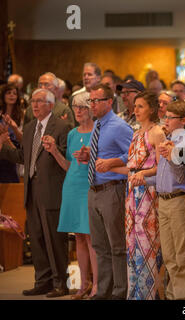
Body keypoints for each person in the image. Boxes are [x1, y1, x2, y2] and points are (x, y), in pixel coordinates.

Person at [0, 88, 71, 297]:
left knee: (55, 239)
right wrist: (4, 146)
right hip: (31, 190)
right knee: (37, 238)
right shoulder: (30, 127)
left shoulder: (62, 126)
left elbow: (67, 158)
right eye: (33, 102)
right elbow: (24, 156)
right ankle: (43, 280)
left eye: (39, 101)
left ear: (50, 104)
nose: (35, 105)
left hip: (52, 190)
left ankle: (60, 282)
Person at [73, 84, 133, 300]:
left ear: (109, 102)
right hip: (94, 189)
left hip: (112, 189)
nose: (92, 105)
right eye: (91, 101)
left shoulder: (119, 126)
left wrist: (112, 162)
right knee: (99, 244)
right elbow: (101, 153)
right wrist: (88, 155)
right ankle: (104, 290)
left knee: (116, 245)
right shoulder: (97, 125)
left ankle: (119, 291)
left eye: (96, 101)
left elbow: (134, 155)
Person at [41, 92, 98, 299]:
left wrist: (89, 157)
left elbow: (101, 164)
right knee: (79, 238)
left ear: (91, 108)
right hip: (71, 186)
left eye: (82, 107)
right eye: (75, 107)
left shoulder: (97, 132)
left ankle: (97, 287)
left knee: (92, 238)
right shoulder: (73, 134)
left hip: (89, 187)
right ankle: (83, 284)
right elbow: (68, 165)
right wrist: (54, 151)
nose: (78, 111)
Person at [111, 91, 166, 299]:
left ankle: (149, 294)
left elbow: (162, 167)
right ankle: (134, 294)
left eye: (141, 106)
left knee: (147, 244)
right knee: (132, 245)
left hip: (149, 193)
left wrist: (144, 173)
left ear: (152, 109)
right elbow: (131, 168)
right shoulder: (135, 134)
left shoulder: (157, 132)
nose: (136, 110)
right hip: (132, 192)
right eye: (135, 106)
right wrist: (109, 170)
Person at [156, 100, 185, 300]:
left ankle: (183, 298)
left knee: (181, 255)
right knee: (169, 256)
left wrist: (171, 157)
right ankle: (171, 295)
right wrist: (141, 176)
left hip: (178, 200)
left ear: (183, 120)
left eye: (171, 117)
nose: (166, 120)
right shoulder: (168, 140)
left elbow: (181, 176)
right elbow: (161, 175)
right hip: (163, 200)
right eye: (166, 116)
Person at [0, 83, 25, 182]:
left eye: (14, 93)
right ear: (3, 96)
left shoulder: (22, 115)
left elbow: (23, 140)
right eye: (8, 93)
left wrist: (14, 128)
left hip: (14, 154)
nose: (12, 95)